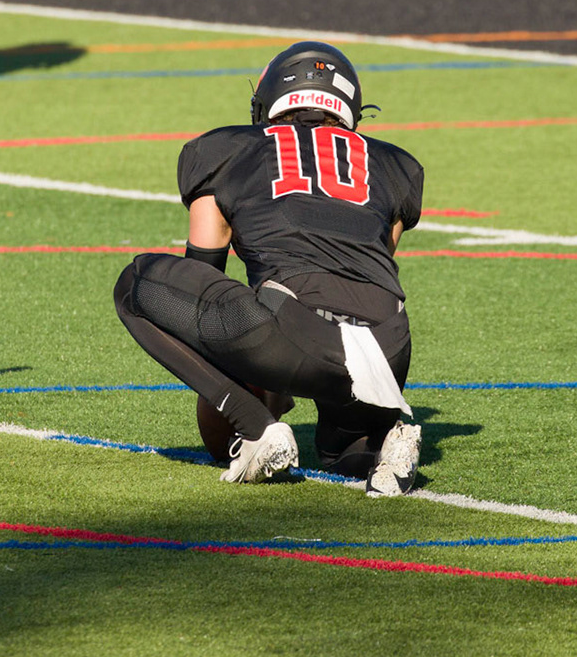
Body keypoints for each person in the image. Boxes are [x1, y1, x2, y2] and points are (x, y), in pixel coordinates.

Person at [112, 43, 426, 496]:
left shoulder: (225, 151)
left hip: (290, 328)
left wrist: (260, 379)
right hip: (388, 345)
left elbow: (203, 278)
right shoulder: (396, 167)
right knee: (344, 453)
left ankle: (258, 429)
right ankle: (385, 444)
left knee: (136, 284)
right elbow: (370, 271)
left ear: (269, 101)